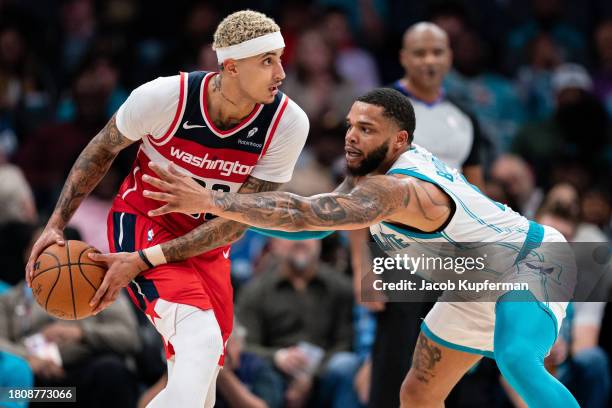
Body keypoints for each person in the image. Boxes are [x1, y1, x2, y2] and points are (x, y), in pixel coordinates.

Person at [143, 88, 579, 408]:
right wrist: (235, 215)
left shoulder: (398, 190)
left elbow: (304, 215)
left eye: (365, 130)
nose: (351, 136)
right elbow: (313, 225)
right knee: (418, 392)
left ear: (399, 141)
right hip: (473, 280)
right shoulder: (368, 174)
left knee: (516, 358)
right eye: (351, 125)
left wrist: (213, 200)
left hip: (530, 261)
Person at [25, 10, 309, 408]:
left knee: (202, 388)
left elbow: (242, 220)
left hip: (208, 243)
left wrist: (148, 259)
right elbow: (101, 149)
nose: (281, 72)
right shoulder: (166, 97)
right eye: (267, 61)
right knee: (201, 342)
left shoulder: (287, 123)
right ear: (230, 67)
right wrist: (57, 223)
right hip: (143, 223)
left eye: (280, 57)